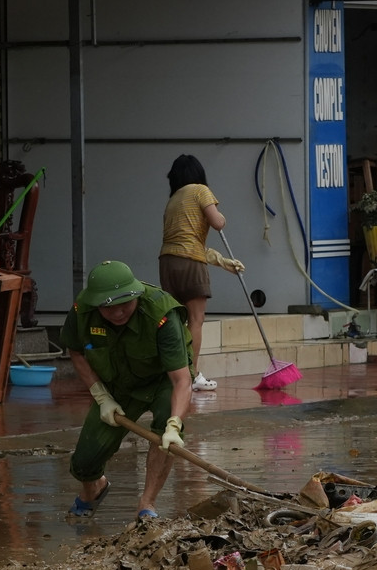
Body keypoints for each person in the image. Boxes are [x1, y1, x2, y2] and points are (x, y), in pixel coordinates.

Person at [60, 260, 193, 519]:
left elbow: (181, 380)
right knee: (85, 460)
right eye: (110, 307)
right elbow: (75, 352)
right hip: (118, 383)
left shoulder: (161, 314)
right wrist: (101, 396)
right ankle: (94, 487)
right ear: (97, 303)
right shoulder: (82, 311)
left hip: (162, 380)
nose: (119, 312)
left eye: (125, 304)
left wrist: (174, 425)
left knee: (165, 433)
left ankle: (147, 505)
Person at [158, 154, 244, 392]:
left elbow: (186, 241)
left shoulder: (173, 199)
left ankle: (175, 374)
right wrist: (220, 215)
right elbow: (217, 223)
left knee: (176, 321)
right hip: (190, 264)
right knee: (196, 320)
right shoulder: (201, 190)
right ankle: (191, 376)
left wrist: (222, 261)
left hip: (167, 262)